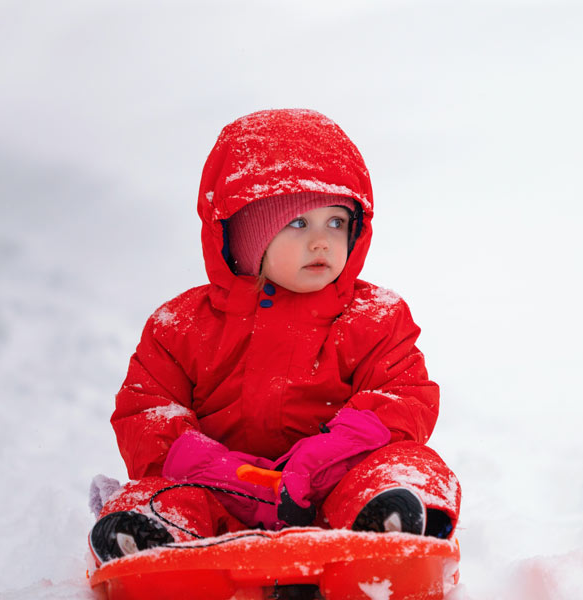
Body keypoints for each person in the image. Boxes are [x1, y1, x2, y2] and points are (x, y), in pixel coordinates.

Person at [88, 109, 460, 563]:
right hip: (216, 492)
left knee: (408, 466)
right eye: (299, 223)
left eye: (337, 222)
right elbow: (146, 411)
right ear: (242, 235)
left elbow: (402, 397)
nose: (322, 241)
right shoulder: (180, 325)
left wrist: (324, 456)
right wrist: (220, 469)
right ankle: (153, 536)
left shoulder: (375, 317)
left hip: (333, 488)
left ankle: (390, 522)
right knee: (160, 491)